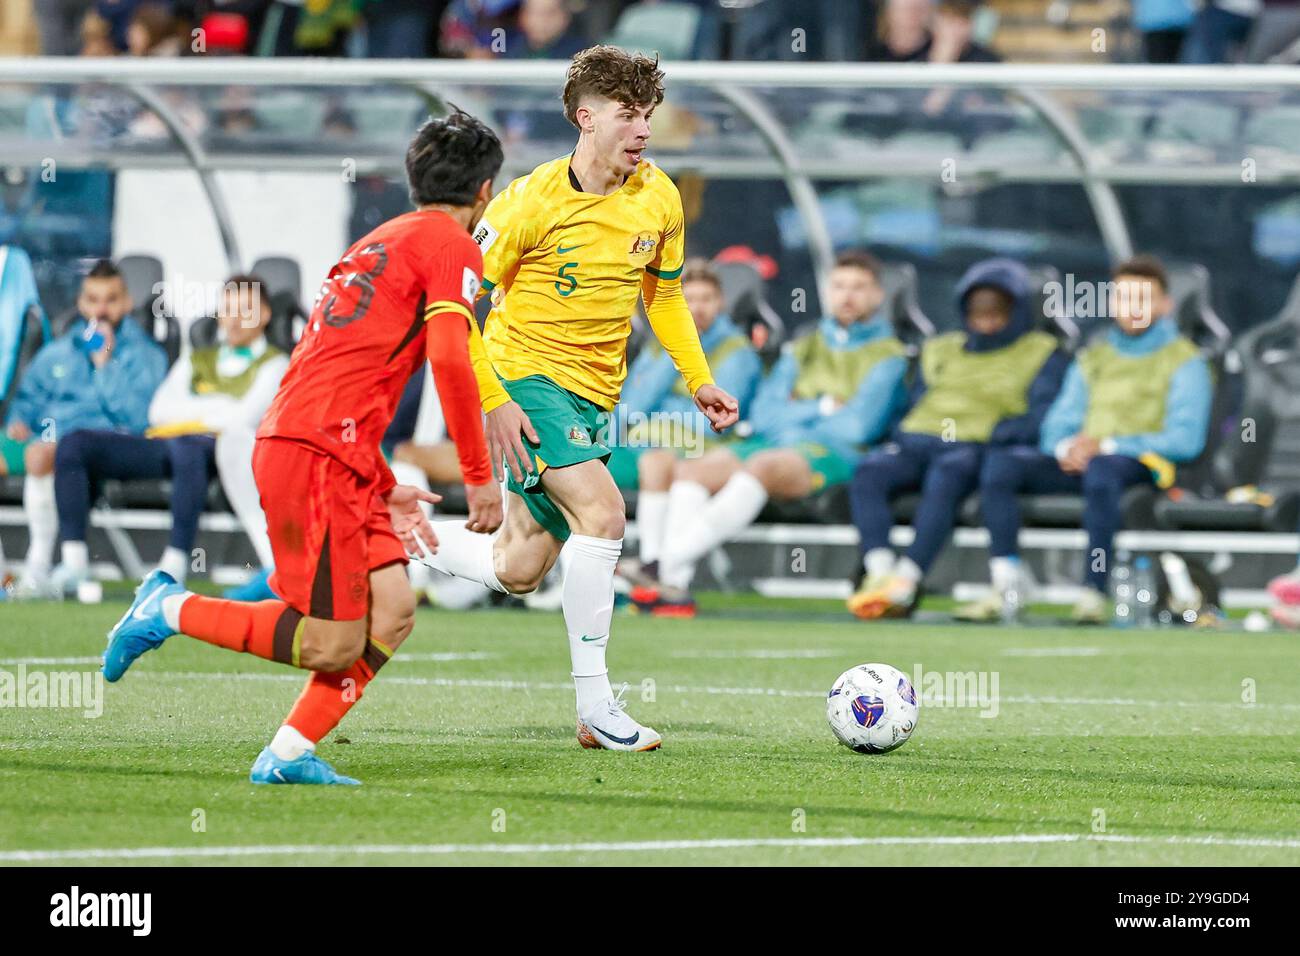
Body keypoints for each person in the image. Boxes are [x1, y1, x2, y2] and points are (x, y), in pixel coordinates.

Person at [102, 110, 505, 785]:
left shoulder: (377, 241)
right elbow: (451, 359)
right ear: (486, 191)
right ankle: (167, 607)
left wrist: (380, 481)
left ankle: (287, 755)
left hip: (325, 446)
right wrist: (479, 475)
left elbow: (337, 373)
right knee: (330, 643)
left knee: (395, 611)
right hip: (315, 456)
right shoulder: (454, 246)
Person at [418, 46, 740, 752]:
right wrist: (493, 395)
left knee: (518, 568)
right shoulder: (528, 202)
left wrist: (698, 378)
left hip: (595, 397)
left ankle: (385, 534)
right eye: (629, 114)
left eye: (649, 115)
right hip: (525, 382)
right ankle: (597, 708)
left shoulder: (659, 196)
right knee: (603, 511)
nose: (644, 130)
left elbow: (667, 292)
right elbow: (452, 304)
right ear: (585, 117)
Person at [635, 250, 909, 616]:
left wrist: (794, 410)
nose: (847, 295)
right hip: (774, 441)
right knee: (693, 469)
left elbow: (859, 425)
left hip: (836, 453)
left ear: (878, 296)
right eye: (839, 286)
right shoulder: (802, 345)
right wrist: (823, 406)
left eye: (859, 288)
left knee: (763, 464)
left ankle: (658, 569)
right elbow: (764, 415)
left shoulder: (889, 355)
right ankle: (674, 590)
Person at [958, 255, 1212, 624]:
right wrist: (1066, 448)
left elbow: (1185, 440)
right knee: (1002, 464)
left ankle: (1093, 590)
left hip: (1145, 467)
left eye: (1143, 298)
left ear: (1165, 305)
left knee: (1103, 471)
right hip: (1083, 462)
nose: (1132, 307)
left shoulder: (1187, 362)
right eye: (1124, 298)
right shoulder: (1092, 357)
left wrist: (1106, 445)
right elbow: (1055, 426)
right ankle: (1007, 581)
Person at [846, 259, 1069, 620]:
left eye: (996, 309)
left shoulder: (1042, 351)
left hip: (971, 447)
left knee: (947, 476)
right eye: (977, 309)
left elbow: (1039, 416)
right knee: (869, 472)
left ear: (1016, 309)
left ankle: (907, 580)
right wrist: (903, 432)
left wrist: (997, 435)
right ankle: (879, 572)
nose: (986, 318)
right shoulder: (941, 348)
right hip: (918, 441)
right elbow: (916, 398)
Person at [48, 276, 288, 595]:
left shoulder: (277, 364)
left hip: (223, 455)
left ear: (266, 314)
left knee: (187, 446)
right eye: (228, 309)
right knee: (76, 443)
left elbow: (243, 418)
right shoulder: (197, 357)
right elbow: (159, 411)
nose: (235, 318)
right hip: (169, 444)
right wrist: (217, 408)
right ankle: (74, 564)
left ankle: (174, 565)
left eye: (246, 309)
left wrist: (192, 409)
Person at [4, 259, 168, 598]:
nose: (101, 309)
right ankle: (5, 575)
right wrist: (18, 421)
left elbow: (139, 419)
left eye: (111, 299)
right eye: (93, 300)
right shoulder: (57, 352)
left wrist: (104, 365)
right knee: (33, 448)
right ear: (81, 304)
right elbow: (29, 399)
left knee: (45, 452)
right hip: (43, 438)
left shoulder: (145, 356)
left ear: (126, 303)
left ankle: (36, 569)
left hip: (97, 446)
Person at [610, 258, 761, 583]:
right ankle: (568, 580)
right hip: (639, 440)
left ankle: (653, 564)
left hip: (699, 444)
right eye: (688, 300)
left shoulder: (737, 350)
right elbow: (632, 406)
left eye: (706, 299)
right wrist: (673, 350)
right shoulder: (659, 345)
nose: (698, 308)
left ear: (719, 302)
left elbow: (718, 417)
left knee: (657, 461)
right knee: (579, 467)